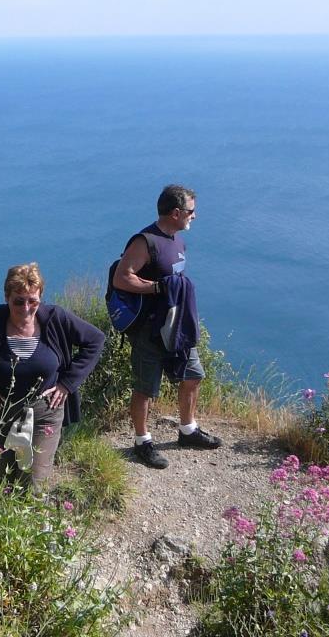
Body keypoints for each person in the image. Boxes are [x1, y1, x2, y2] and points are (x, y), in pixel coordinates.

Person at [0, 263, 106, 491]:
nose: (26, 308)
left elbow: (95, 340)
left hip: (45, 413)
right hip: (0, 412)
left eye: (33, 301)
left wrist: (66, 384)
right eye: (18, 301)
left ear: (40, 298)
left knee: (34, 484)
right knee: (1, 483)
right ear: (7, 297)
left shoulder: (55, 319)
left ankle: (35, 522)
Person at [112, 184, 221, 469]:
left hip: (177, 328)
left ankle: (188, 430)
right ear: (176, 213)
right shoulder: (145, 241)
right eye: (191, 211)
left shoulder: (177, 241)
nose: (194, 216)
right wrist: (159, 288)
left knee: (193, 375)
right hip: (150, 329)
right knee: (145, 388)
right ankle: (143, 442)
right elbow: (122, 279)